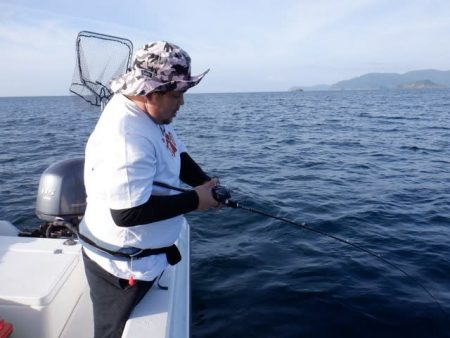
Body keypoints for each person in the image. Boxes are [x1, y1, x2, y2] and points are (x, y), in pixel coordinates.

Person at [78, 41, 219, 338]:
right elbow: (128, 213)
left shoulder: (151, 114)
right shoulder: (127, 137)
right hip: (121, 270)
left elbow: (176, 153)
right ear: (152, 92)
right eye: (178, 94)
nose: (182, 102)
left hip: (146, 258)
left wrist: (203, 183)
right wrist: (196, 200)